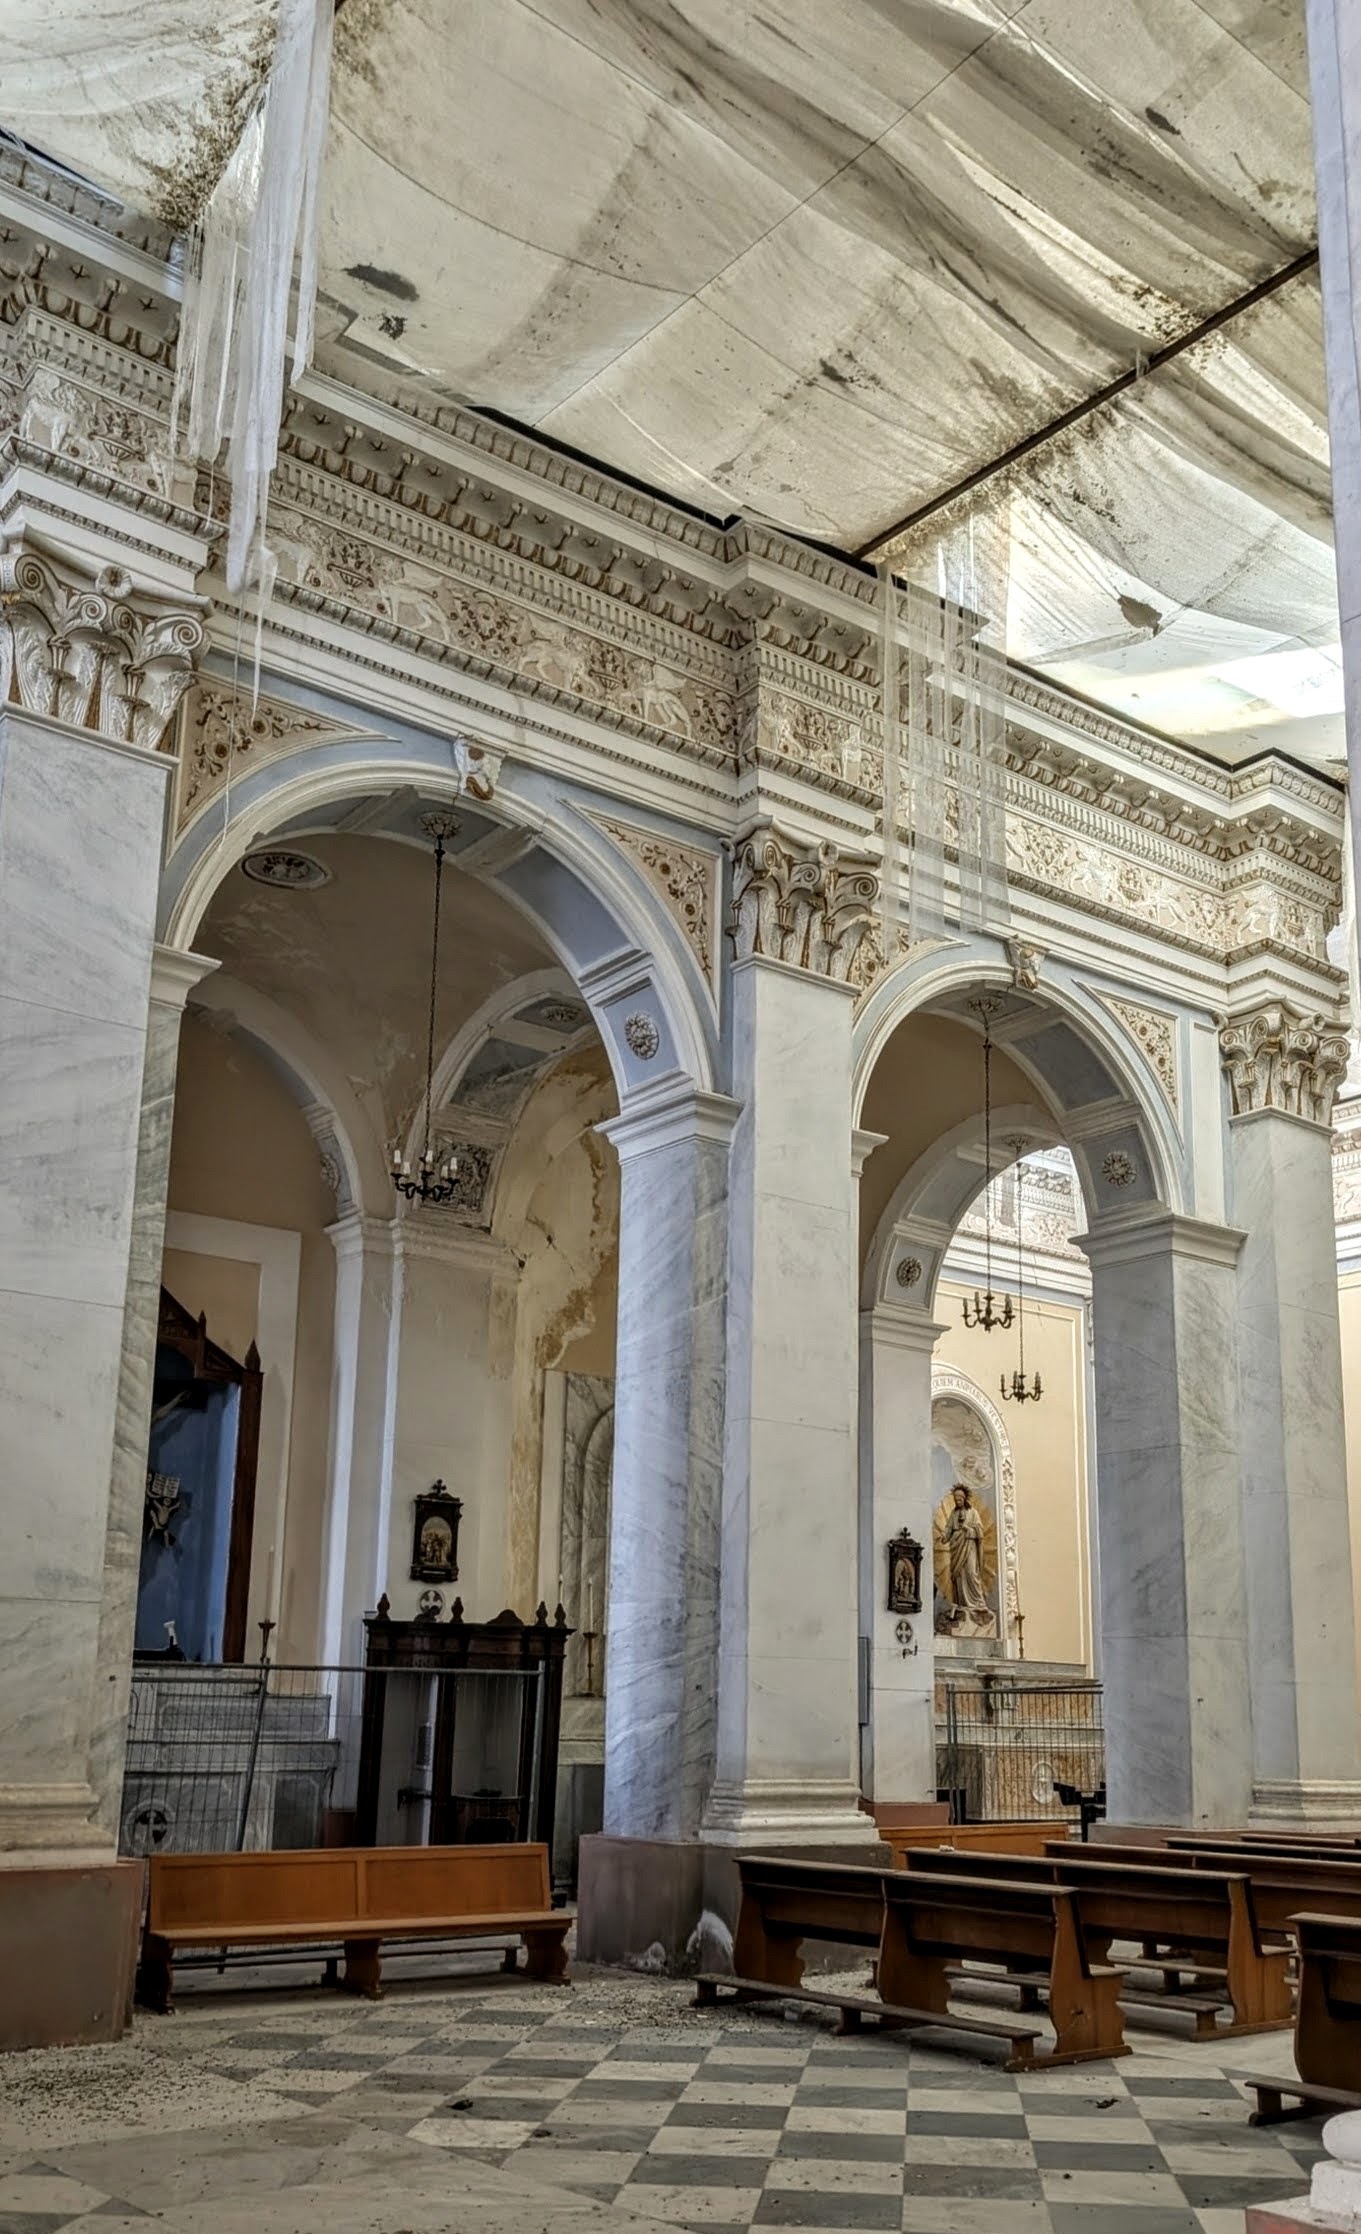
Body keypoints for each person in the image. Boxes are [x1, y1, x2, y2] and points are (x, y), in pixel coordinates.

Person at [943, 1484, 990, 1614]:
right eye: (955, 1500)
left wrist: (968, 1529)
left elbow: (980, 1531)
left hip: (969, 1547)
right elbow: (948, 1528)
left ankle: (977, 1602)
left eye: (959, 1499)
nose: (957, 1502)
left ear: (964, 1499)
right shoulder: (954, 1514)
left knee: (971, 1572)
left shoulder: (973, 1513)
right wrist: (944, 1536)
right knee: (959, 1575)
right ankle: (962, 1604)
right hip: (956, 1547)